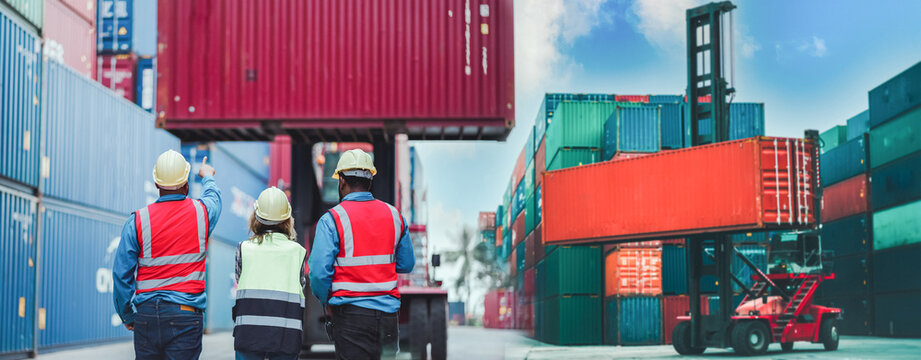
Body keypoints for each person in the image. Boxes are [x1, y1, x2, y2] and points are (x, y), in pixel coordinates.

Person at [113, 150, 221, 360]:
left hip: (146, 315)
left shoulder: (138, 220)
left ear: (156, 183)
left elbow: (121, 274)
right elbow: (214, 198)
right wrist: (207, 176)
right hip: (186, 314)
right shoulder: (202, 213)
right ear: (186, 182)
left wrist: (127, 314)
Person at [308, 149, 415, 360]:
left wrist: (326, 301)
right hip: (388, 317)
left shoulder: (332, 219)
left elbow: (319, 274)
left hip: (351, 316)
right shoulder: (395, 216)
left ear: (341, 181)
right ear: (370, 181)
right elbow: (407, 264)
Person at [233, 187, 307, 360]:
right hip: (286, 333)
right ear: (288, 219)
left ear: (256, 216)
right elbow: (301, 284)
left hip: (248, 331)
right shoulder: (297, 251)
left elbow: (240, 277)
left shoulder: (243, 248)